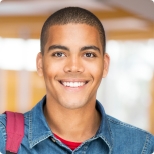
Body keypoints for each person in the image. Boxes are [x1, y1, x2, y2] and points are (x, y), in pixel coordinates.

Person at [0, 7, 154, 154]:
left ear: (105, 65)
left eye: (88, 54)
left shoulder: (142, 146)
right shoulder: (3, 137)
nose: (74, 67)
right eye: (59, 54)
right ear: (40, 64)